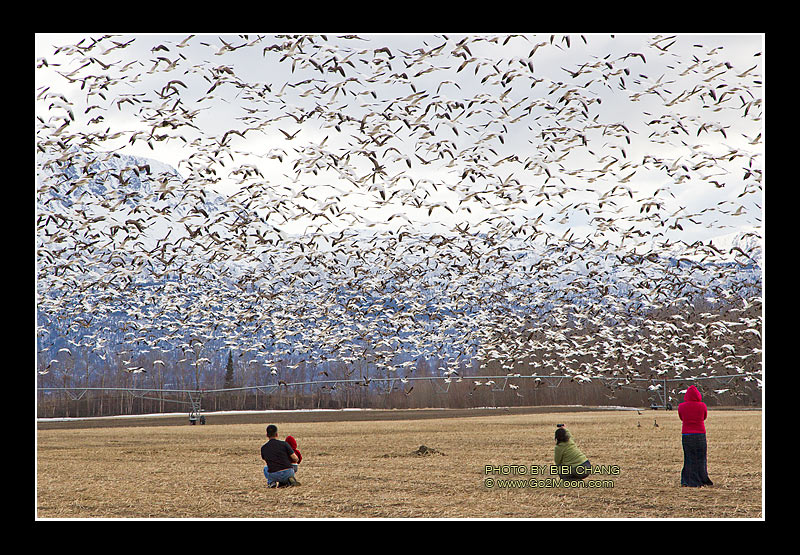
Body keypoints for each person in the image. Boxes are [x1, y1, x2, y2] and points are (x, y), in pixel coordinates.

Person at [678, 385, 713, 487]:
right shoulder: (702, 406)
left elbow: (681, 417)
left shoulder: (681, 406)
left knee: (689, 457)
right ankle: (702, 478)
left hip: (687, 434)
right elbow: (704, 417)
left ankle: (688, 480)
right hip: (700, 434)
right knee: (701, 457)